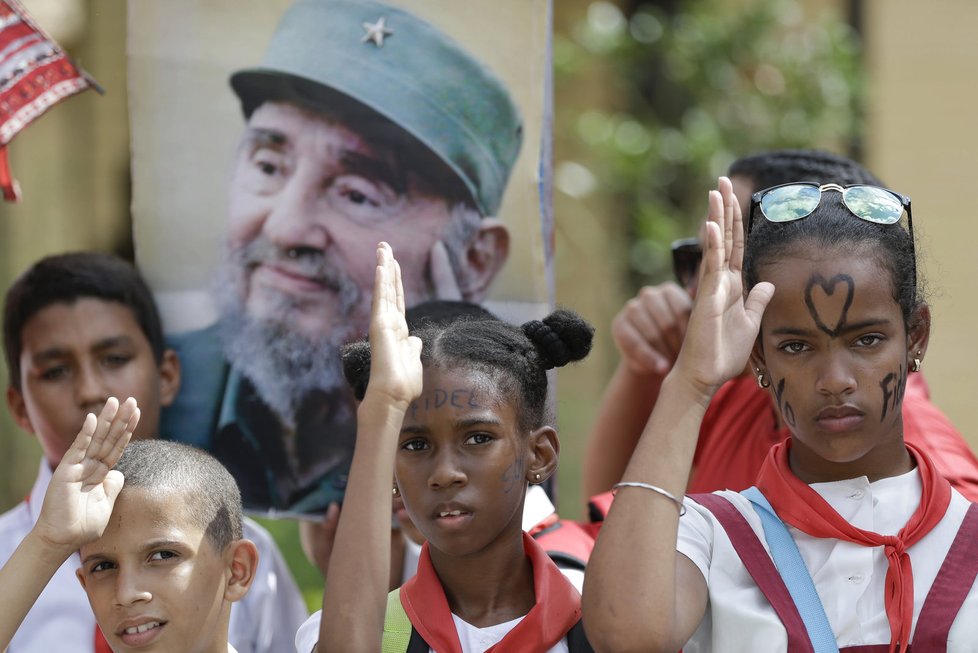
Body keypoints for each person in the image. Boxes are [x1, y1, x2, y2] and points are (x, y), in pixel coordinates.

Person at [583, 177, 978, 651]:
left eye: (866, 340)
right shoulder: (713, 537)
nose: (834, 378)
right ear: (758, 359)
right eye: (795, 346)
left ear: (915, 337)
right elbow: (624, 636)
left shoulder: (966, 535)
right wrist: (690, 384)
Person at [161, 0, 524, 514]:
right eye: (268, 166)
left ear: (475, 261)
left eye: (358, 193)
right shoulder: (149, 399)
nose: (286, 228)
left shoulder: (508, 449)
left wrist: (439, 389)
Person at [582, 149, 978, 501]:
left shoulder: (933, 481)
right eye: (694, 261)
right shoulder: (743, 395)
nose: (693, 292)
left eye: (722, 260)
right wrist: (646, 370)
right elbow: (615, 525)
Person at [0, 252, 307, 653]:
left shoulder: (235, 545)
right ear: (20, 407)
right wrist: (47, 545)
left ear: (166, 375)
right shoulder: (14, 561)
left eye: (114, 358)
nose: (90, 390)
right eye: (56, 370)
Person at [295, 243, 595, 652]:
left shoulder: (600, 628)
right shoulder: (360, 634)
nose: (444, 472)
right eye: (415, 444)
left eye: (478, 438)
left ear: (539, 455)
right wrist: (382, 409)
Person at [0, 398, 139, 651]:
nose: (128, 593)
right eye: (102, 567)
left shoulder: (221, 531)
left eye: (164, 555)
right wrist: (47, 543)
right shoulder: (14, 550)